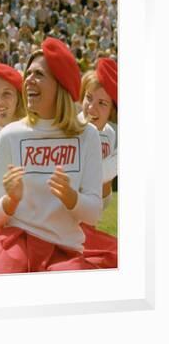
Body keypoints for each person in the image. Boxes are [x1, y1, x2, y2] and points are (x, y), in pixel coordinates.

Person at [0, 37, 114, 275]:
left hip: (65, 250)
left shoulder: (87, 136)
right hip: (14, 245)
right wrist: (9, 201)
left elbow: (94, 212)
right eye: (28, 73)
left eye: (39, 74)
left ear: (60, 84)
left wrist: (71, 197)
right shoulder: (10, 135)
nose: (29, 80)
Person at [78, 58, 118, 266]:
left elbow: (103, 196)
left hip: (89, 226)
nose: (91, 108)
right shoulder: (70, 129)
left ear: (112, 111)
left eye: (102, 103)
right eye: (88, 98)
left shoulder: (109, 135)